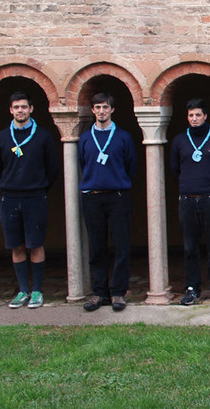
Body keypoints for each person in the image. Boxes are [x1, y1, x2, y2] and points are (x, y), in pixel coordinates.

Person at [0, 91, 60, 309]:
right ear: (11, 110)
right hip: (10, 197)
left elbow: (53, 168)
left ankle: (37, 291)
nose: (20, 110)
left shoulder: (43, 136)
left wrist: (38, 187)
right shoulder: (1, 138)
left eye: (24, 107)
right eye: (16, 107)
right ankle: (22, 291)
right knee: (16, 246)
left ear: (31, 109)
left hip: (35, 197)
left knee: (35, 244)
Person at [169, 98, 210, 305]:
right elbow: (174, 169)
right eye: (190, 115)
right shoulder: (180, 140)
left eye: (198, 115)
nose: (194, 119)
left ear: (205, 116)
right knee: (190, 247)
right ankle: (192, 288)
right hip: (188, 199)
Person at [78, 93, 137, 312]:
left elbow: (130, 165)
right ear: (92, 111)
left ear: (112, 109)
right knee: (96, 246)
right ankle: (99, 292)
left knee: (121, 245)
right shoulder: (85, 138)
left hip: (117, 196)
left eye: (105, 107)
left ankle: (118, 293)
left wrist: (117, 183)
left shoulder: (123, 137)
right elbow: (82, 163)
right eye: (97, 107)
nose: (101, 111)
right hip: (92, 196)